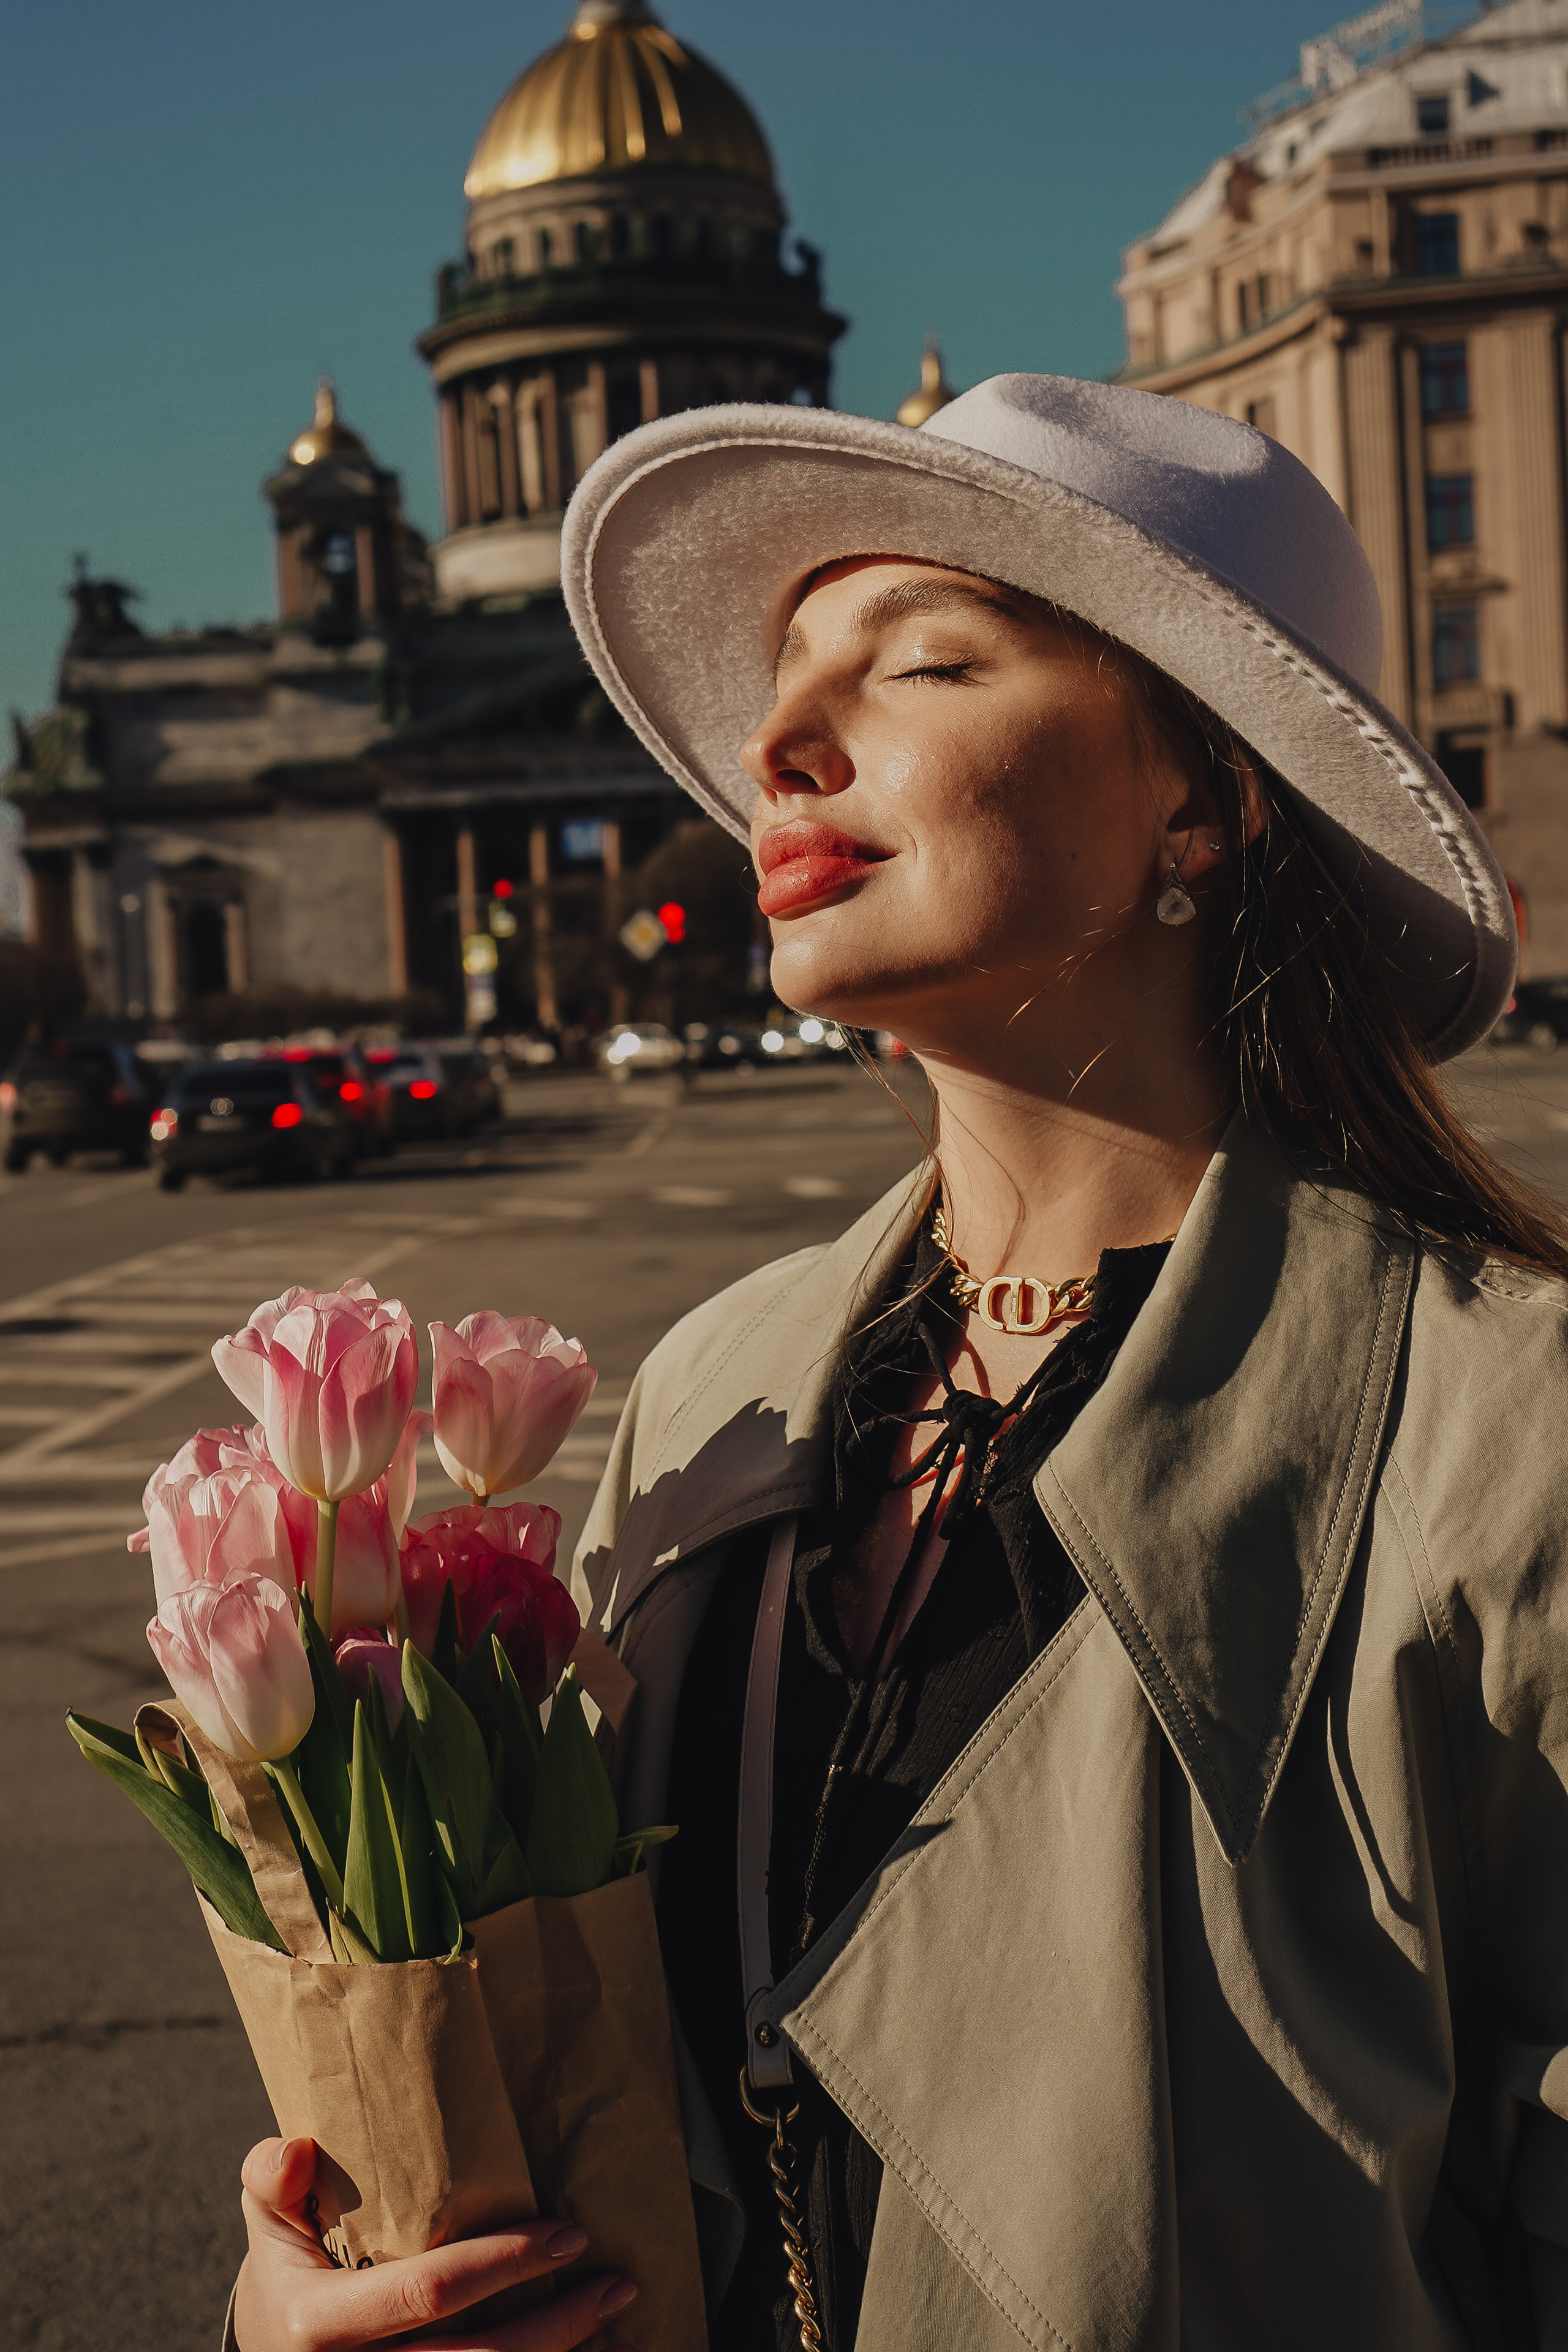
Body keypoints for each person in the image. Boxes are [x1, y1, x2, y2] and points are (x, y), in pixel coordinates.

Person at [234, 375, 1568, 2352]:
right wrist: (347, 2288)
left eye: (926, 662)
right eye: (782, 683)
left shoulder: (1518, 1440)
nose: (773, 742)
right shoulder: (718, 1386)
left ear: (1204, 790)